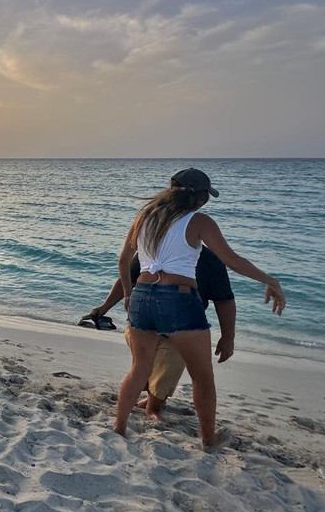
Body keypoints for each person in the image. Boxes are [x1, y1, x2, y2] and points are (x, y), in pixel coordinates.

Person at [114, 169, 286, 449]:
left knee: (138, 368)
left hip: (143, 296)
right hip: (179, 299)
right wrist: (270, 280)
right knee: (202, 377)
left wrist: (129, 294)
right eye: (207, 195)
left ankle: (119, 427)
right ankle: (208, 439)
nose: (207, 201)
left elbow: (123, 261)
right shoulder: (199, 221)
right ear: (198, 196)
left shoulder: (144, 217)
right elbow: (231, 259)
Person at [88, 247, 235, 419]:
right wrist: (104, 307)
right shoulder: (151, 249)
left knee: (169, 366)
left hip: (181, 329)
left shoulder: (210, 260)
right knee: (143, 370)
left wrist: (228, 337)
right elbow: (127, 279)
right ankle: (136, 407)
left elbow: (224, 300)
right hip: (144, 324)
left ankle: (154, 406)